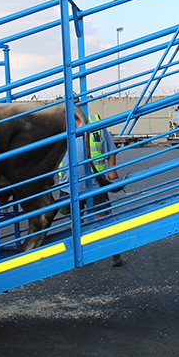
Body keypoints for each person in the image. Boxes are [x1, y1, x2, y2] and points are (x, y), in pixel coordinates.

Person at [58, 114, 123, 266]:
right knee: (75, 221)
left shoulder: (94, 122)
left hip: (95, 183)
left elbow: (110, 148)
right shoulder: (59, 125)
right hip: (69, 184)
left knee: (103, 218)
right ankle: (82, 253)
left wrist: (112, 170)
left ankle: (114, 252)